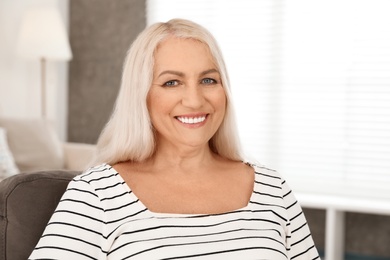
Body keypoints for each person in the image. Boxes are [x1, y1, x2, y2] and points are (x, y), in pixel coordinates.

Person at [29, 18, 320, 259]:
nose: (194, 101)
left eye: (208, 80)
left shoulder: (273, 188)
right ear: (142, 95)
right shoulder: (96, 195)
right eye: (171, 82)